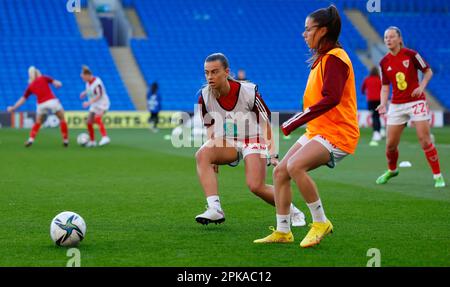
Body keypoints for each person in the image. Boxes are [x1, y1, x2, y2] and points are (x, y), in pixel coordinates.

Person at [254, 5, 360, 248]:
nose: (304, 34)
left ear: (322, 31)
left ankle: (320, 222)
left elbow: (332, 98)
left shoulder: (335, 59)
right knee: (280, 171)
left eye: (308, 29)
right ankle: (283, 231)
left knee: (295, 166)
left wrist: (295, 120)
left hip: (337, 133)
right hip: (319, 130)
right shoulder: (323, 58)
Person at [195, 53, 305, 227]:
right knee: (202, 155)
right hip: (229, 140)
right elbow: (209, 124)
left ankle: (293, 211)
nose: (210, 77)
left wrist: (273, 153)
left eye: (215, 72)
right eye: (207, 73)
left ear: (226, 72)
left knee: (256, 186)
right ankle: (215, 209)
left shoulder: (248, 91)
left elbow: (265, 122)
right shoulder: (204, 96)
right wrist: (212, 146)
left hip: (254, 138)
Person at [375, 26, 445, 188]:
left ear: (399, 39)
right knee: (390, 144)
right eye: (386, 38)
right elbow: (385, 86)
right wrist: (383, 103)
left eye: (392, 37)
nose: (388, 40)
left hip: (416, 102)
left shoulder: (411, 55)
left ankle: (438, 176)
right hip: (397, 105)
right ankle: (392, 170)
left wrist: (421, 87)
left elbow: (428, 71)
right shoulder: (383, 62)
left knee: (425, 140)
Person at [7, 66, 69, 147]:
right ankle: (65, 140)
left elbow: (23, 99)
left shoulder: (30, 86)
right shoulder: (43, 78)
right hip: (51, 101)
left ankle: (30, 140)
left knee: (38, 122)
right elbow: (57, 83)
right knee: (62, 119)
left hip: (41, 105)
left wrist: (13, 107)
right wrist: (59, 84)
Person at [79, 65, 111, 147]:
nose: (83, 79)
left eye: (83, 77)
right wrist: (84, 93)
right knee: (89, 122)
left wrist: (88, 103)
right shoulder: (88, 83)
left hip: (102, 104)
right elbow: (89, 89)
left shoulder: (97, 82)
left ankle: (105, 137)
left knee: (97, 118)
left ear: (87, 75)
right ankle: (92, 141)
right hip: (94, 104)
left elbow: (99, 95)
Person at [362, 66, 384, 146]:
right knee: (377, 116)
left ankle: (376, 132)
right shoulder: (379, 80)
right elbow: (383, 89)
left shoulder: (367, 79)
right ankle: (379, 131)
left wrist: (367, 93)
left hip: (371, 100)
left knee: (374, 116)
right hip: (379, 100)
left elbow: (362, 89)